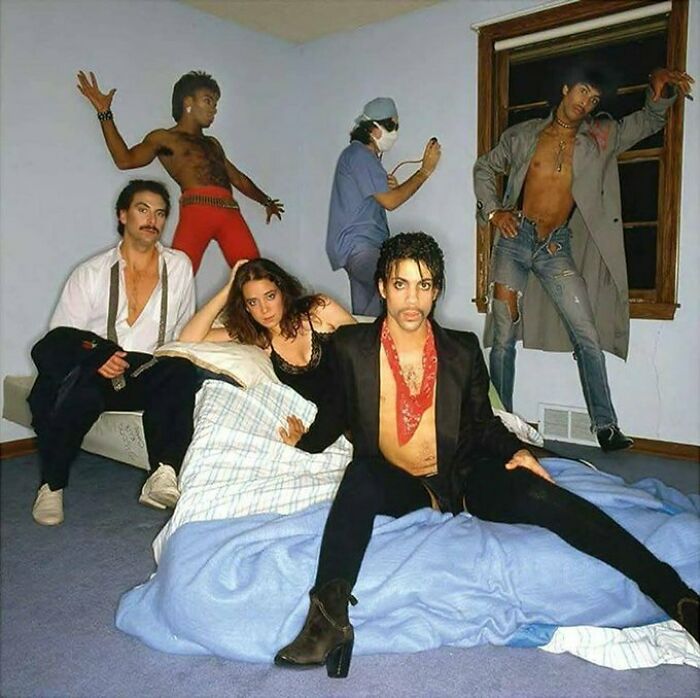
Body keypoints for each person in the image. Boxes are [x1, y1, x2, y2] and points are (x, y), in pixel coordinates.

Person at [273, 232, 698, 678]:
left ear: (436, 290)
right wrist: (305, 442)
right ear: (382, 287)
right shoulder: (350, 347)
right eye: (401, 284)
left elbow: (482, 423)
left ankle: (676, 596)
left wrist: (519, 451)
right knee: (360, 475)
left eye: (424, 285)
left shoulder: (460, 349)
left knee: (541, 494)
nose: (412, 299)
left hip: (463, 476)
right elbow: (336, 411)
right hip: (402, 484)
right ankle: (327, 621)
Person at [474, 65, 694, 451]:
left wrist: (658, 92)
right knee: (504, 336)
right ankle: (500, 425)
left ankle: (605, 426)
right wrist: (494, 212)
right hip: (514, 239)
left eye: (593, 99)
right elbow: (484, 167)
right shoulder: (524, 135)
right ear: (565, 89)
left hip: (555, 246)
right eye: (582, 92)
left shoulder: (599, 138)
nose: (586, 102)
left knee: (587, 334)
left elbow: (645, 122)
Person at [29, 180, 198, 526]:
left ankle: (163, 473)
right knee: (79, 394)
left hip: (146, 370)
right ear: (123, 215)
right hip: (97, 374)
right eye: (142, 209)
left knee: (181, 369)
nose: (152, 220)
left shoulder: (179, 266)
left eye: (160, 213)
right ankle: (52, 485)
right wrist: (97, 358)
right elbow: (61, 338)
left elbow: (184, 331)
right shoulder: (90, 273)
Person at [77, 70, 284, 274]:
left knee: (256, 274)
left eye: (215, 104)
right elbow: (124, 160)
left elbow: (237, 178)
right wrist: (104, 113)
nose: (214, 109)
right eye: (208, 101)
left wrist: (266, 201)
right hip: (196, 212)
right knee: (175, 277)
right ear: (188, 102)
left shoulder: (212, 144)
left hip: (230, 213)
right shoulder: (165, 138)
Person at [179, 258, 356, 440]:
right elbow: (189, 337)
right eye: (253, 302)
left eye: (270, 296)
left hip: (365, 401)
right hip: (343, 427)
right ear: (246, 308)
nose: (264, 309)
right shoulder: (259, 339)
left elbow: (366, 348)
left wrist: (310, 442)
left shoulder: (319, 310)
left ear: (282, 292)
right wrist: (228, 289)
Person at [326, 97, 441, 316]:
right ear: (372, 128)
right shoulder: (360, 155)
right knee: (398, 285)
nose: (394, 132)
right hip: (361, 248)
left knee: (367, 319)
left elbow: (382, 197)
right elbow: (391, 201)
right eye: (390, 126)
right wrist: (425, 171)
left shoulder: (361, 157)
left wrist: (390, 188)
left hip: (357, 248)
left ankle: (370, 338)